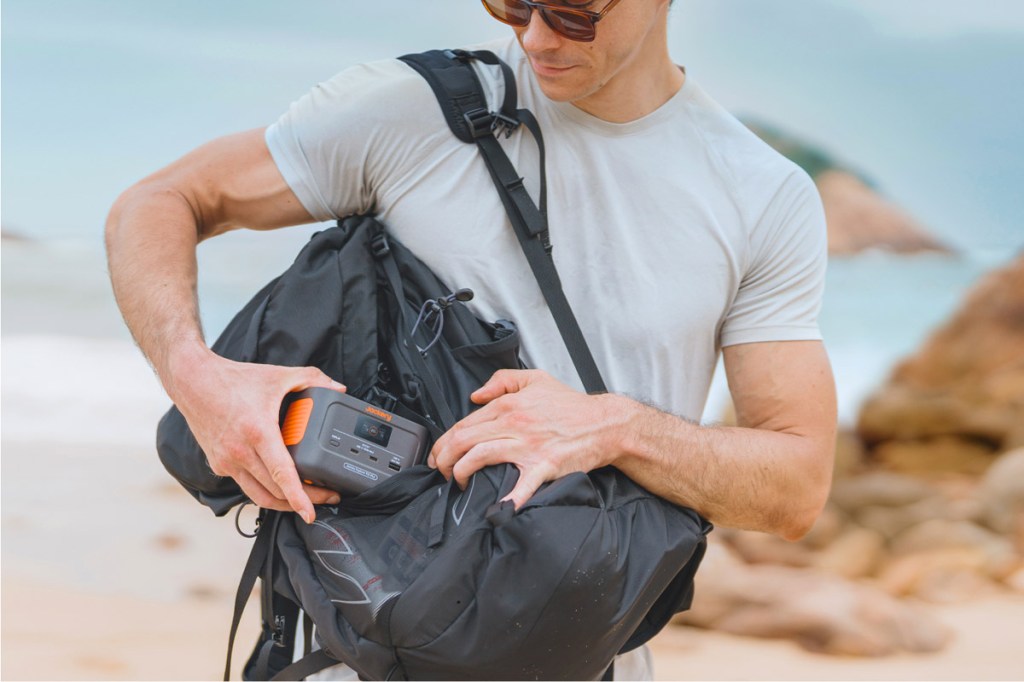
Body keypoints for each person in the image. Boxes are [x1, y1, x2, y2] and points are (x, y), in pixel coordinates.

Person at [107, 0, 836, 677]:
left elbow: (796, 486)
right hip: (350, 645)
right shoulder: (415, 109)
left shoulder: (760, 195)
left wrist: (616, 426)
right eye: (512, 4)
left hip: (562, 652)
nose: (537, 37)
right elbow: (159, 201)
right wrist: (198, 380)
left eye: (575, 14)